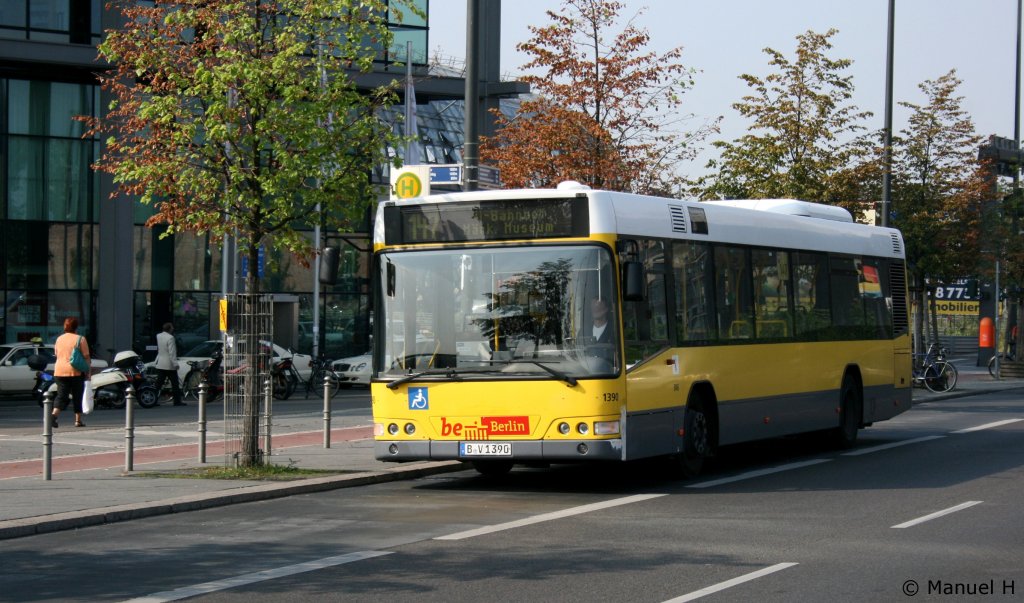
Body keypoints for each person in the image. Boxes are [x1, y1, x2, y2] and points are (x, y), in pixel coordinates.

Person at [52, 317, 90, 428]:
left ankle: (54, 415)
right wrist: (88, 372)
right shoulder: (80, 339)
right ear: (76, 326)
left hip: (59, 371)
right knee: (77, 395)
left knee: (61, 395)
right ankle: (78, 420)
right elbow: (86, 357)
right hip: (75, 372)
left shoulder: (59, 339)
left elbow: (56, 353)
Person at [154, 322, 186, 406]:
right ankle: (177, 401)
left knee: (158, 383)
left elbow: (161, 349)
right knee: (175, 384)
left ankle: (153, 399)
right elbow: (172, 352)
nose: (173, 329)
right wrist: (175, 363)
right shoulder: (171, 338)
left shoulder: (158, 336)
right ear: (169, 329)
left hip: (160, 362)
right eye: (172, 327)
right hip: (169, 364)